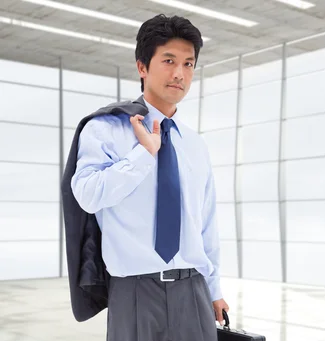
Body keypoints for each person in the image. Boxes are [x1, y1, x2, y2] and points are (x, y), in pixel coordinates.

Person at [69, 14, 228, 341]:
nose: (179, 73)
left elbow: (206, 224)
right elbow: (87, 194)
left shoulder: (195, 144)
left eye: (188, 64)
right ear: (142, 66)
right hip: (135, 292)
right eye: (168, 60)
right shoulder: (106, 129)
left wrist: (214, 289)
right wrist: (143, 154)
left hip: (193, 291)